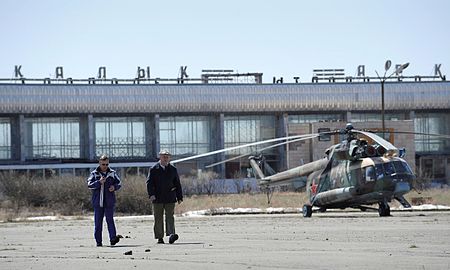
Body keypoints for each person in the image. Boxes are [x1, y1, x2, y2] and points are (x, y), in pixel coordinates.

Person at [146, 149, 183, 244]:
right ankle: (159, 237)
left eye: (167, 156)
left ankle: (171, 235)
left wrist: (179, 197)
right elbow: (149, 183)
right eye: (164, 156)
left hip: (170, 196)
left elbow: (177, 183)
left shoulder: (173, 169)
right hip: (157, 197)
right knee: (158, 217)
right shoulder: (153, 169)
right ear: (160, 157)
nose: (165, 158)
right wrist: (151, 195)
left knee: (170, 216)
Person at [87, 155, 122, 247]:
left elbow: (119, 183)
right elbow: (89, 185)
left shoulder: (112, 173)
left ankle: (113, 238)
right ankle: (99, 241)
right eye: (103, 164)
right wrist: (99, 182)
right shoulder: (94, 174)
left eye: (106, 164)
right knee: (98, 223)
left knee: (110, 220)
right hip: (98, 202)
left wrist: (114, 187)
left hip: (109, 202)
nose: (105, 166)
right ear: (99, 163)